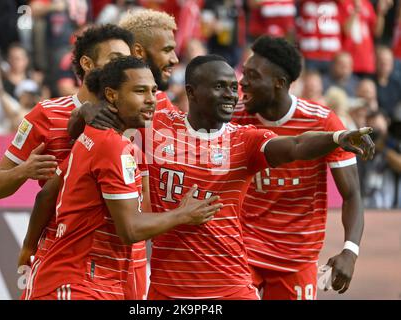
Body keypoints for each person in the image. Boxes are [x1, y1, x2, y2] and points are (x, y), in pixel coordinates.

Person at [142, 54, 373, 300]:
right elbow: (125, 81)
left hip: (230, 287)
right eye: (220, 86)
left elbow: (296, 145)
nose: (232, 94)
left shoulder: (244, 139)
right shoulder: (159, 121)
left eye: (233, 87)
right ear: (191, 91)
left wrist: (336, 138)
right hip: (166, 288)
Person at [23, 56, 222, 300]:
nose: (151, 100)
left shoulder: (95, 134)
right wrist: (184, 214)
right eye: (140, 91)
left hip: (88, 280)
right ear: (112, 95)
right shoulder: (113, 146)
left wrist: (28, 247)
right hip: (78, 284)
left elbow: (46, 194)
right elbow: (129, 229)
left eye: (153, 91)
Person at [0, 24, 134, 287]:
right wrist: (25, 170)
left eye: (128, 61)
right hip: (63, 257)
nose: (124, 69)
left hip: (120, 259)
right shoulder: (45, 114)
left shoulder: (134, 119)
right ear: (87, 63)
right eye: (115, 60)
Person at [233, 35, 368, 299]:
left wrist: (350, 251)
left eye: (252, 75)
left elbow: (352, 194)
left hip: (297, 258)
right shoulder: (234, 118)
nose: (242, 82)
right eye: (243, 73)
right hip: (242, 253)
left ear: (279, 83)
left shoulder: (324, 122)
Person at [67, 9, 180, 139]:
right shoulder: (48, 112)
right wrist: (80, 116)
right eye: (166, 50)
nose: (175, 59)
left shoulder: (159, 103)